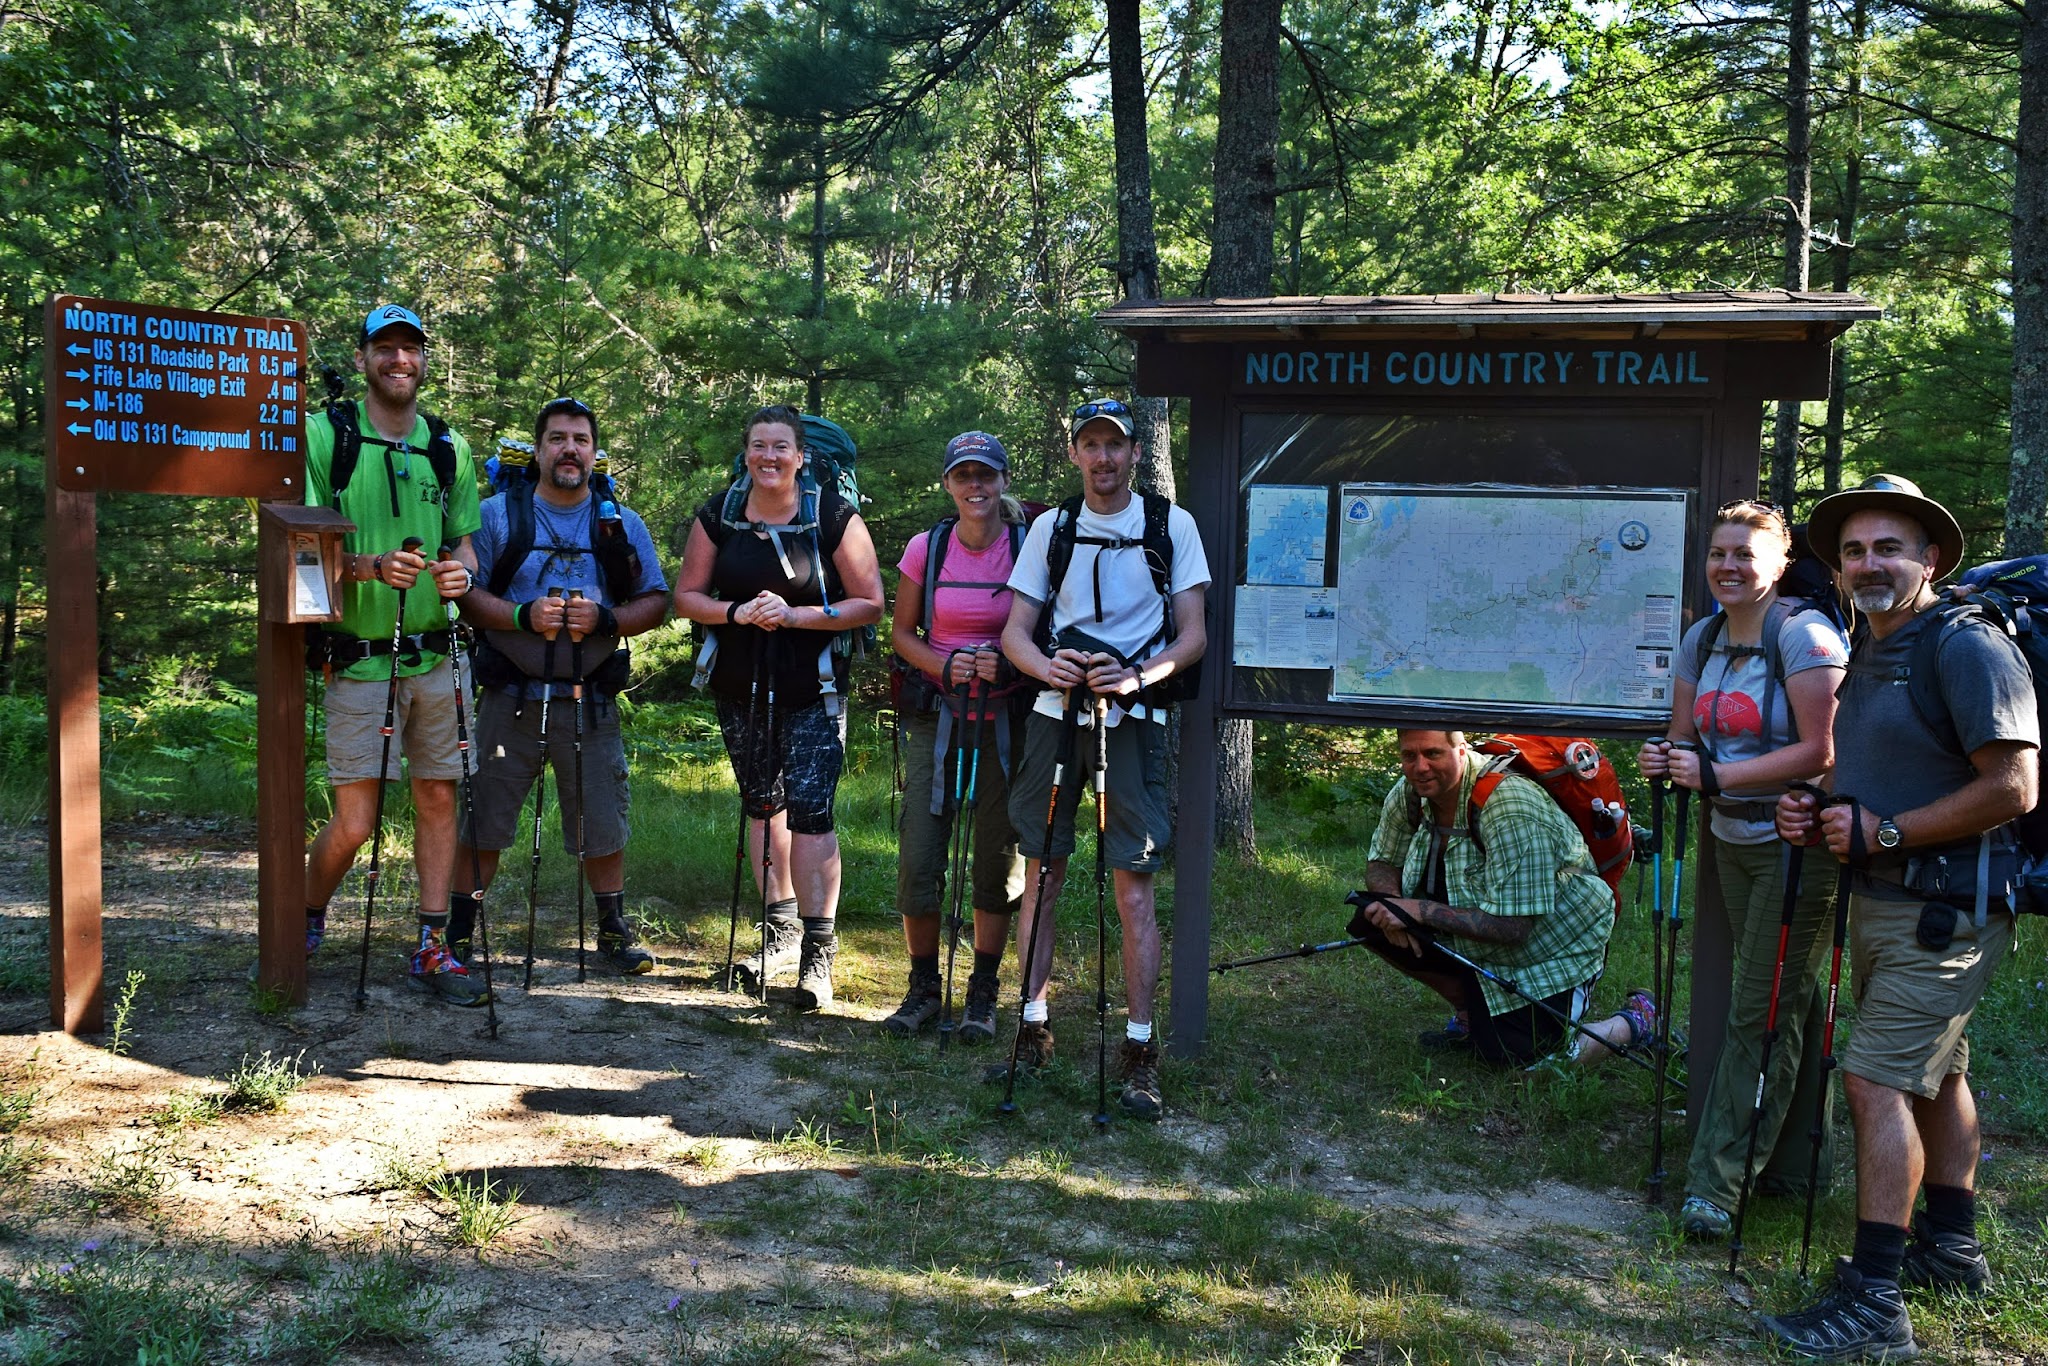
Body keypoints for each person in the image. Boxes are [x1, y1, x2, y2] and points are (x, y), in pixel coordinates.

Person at [1765, 474, 2035, 1361]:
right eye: (1853, 550)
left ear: (1930, 558)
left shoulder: (1966, 648)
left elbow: (2014, 786)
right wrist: (1820, 806)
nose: (1868, 563)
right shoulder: (1874, 643)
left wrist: (1882, 829)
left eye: (1889, 547)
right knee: (1937, 1075)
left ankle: (1875, 1299)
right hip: (1889, 900)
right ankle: (1950, 1249)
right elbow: (1881, 769)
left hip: (1945, 911)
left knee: (1874, 1080)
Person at [994, 397, 1210, 1120]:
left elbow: (1193, 636)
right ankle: (1032, 1026)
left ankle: (1140, 1049)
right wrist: (1044, 668)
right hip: (1056, 718)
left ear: (1136, 455)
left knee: (1134, 884)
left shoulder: (1169, 525)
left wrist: (1138, 676)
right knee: (1042, 872)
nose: (1104, 458)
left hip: (1136, 720)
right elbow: (1015, 632)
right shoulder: (1051, 529)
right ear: (1076, 453)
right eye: (1091, 445)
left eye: (1115, 446)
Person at [1638, 501, 1849, 1239]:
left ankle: (1716, 1186)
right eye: (1719, 552)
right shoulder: (1703, 637)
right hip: (1731, 841)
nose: (1728, 565)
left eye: (1745, 554)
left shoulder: (1806, 636)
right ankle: (1795, 1166)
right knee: (1783, 1004)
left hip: (1800, 848)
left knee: (1756, 1010)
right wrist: (1665, 758)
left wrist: (1719, 780)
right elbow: (1681, 734)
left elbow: (1822, 752)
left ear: (1780, 564)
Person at [672, 404, 886, 1010]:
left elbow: (871, 602)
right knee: (763, 804)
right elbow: (686, 596)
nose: (769, 457)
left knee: (812, 813)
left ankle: (819, 957)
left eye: (781, 447)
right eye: (759, 446)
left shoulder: (834, 517)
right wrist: (737, 612)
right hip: (739, 685)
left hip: (812, 688)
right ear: (747, 454)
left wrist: (796, 617)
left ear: (800, 456)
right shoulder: (719, 515)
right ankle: (781, 931)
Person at [303, 304, 485, 1004]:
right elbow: (303, 544)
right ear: (362, 360)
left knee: (439, 795)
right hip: (357, 655)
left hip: (437, 656)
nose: (399, 361)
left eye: (411, 349)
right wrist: (368, 566)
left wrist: (459, 574)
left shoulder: (449, 446)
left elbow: (463, 542)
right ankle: (307, 909)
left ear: (425, 361)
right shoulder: (327, 434)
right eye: (385, 348)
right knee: (356, 821)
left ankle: (433, 946)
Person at [452, 397, 670, 975]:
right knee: (486, 818)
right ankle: (457, 931)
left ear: (595, 454)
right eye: (557, 438)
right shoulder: (496, 514)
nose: (569, 449)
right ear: (539, 448)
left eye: (580, 439)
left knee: (602, 814)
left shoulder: (620, 522)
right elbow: (463, 592)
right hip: (509, 698)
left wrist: (607, 621)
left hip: (589, 699)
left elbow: (656, 599)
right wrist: (522, 617)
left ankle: (612, 927)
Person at [1350, 729, 1654, 1068]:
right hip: (1475, 936)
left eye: (1433, 754)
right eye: (1410, 756)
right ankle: (1472, 1013)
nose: (1420, 767)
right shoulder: (1411, 791)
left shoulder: (1509, 805)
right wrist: (1393, 906)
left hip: (1553, 944)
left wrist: (1417, 911)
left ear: (1461, 750)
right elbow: (1382, 861)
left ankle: (1633, 1022)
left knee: (1531, 1063)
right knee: (1371, 917)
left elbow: (1514, 929)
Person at [884, 432, 1028, 1040]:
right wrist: (943, 666)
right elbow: (902, 634)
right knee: (919, 854)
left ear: (1002, 481)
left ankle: (982, 994)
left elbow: (1044, 628)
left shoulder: (1029, 546)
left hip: (1006, 719)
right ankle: (922, 990)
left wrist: (1010, 663)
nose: (977, 486)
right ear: (948, 483)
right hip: (936, 716)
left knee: (996, 856)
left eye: (987, 475)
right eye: (964, 475)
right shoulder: (928, 546)